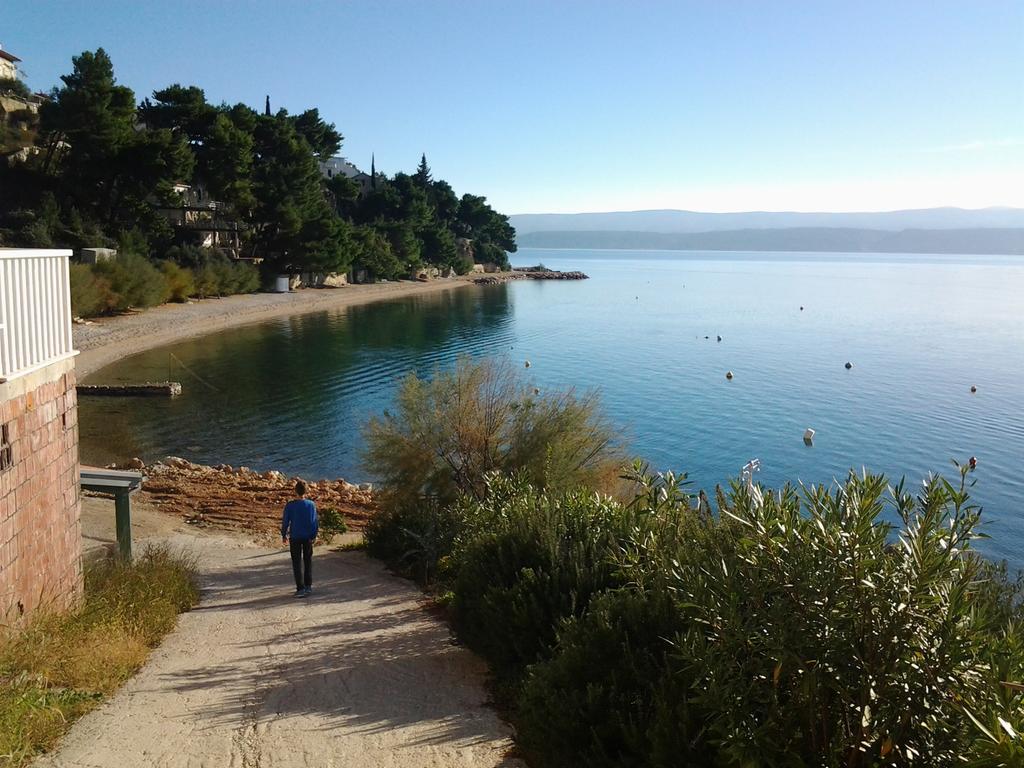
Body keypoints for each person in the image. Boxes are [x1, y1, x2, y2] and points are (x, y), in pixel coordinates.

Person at [281, 480, 318, 597]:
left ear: (295, 491)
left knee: (296, 562)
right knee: (308, 561)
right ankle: (308, 586)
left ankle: (300, 588)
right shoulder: (311, 505)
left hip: (295, 536)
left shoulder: (290, 505)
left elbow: (286, 521)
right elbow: (314, 522)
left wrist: (284, 534)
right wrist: (314, 535)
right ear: (306, 491)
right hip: (307, 537)